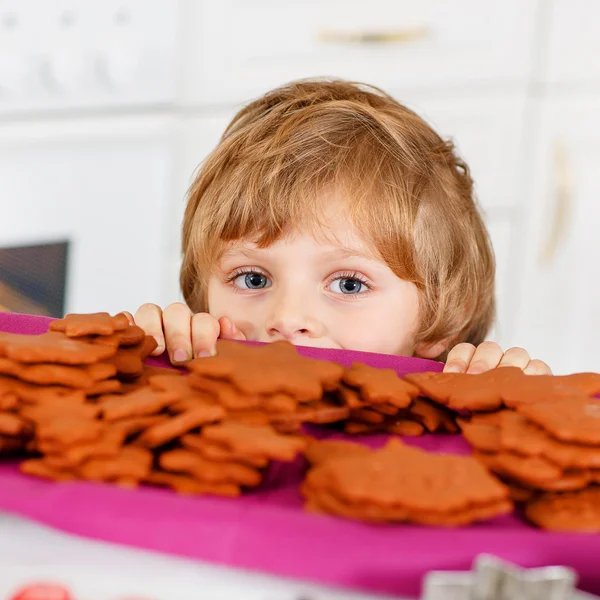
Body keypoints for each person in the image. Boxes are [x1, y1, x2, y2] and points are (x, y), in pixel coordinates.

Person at [128, 79, 551, 376]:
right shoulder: (188, 380)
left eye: (349, 285)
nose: (288, 319)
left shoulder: (463, 428)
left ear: (443, 321)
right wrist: (150, 359)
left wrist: (515, 410)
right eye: (253, 278)